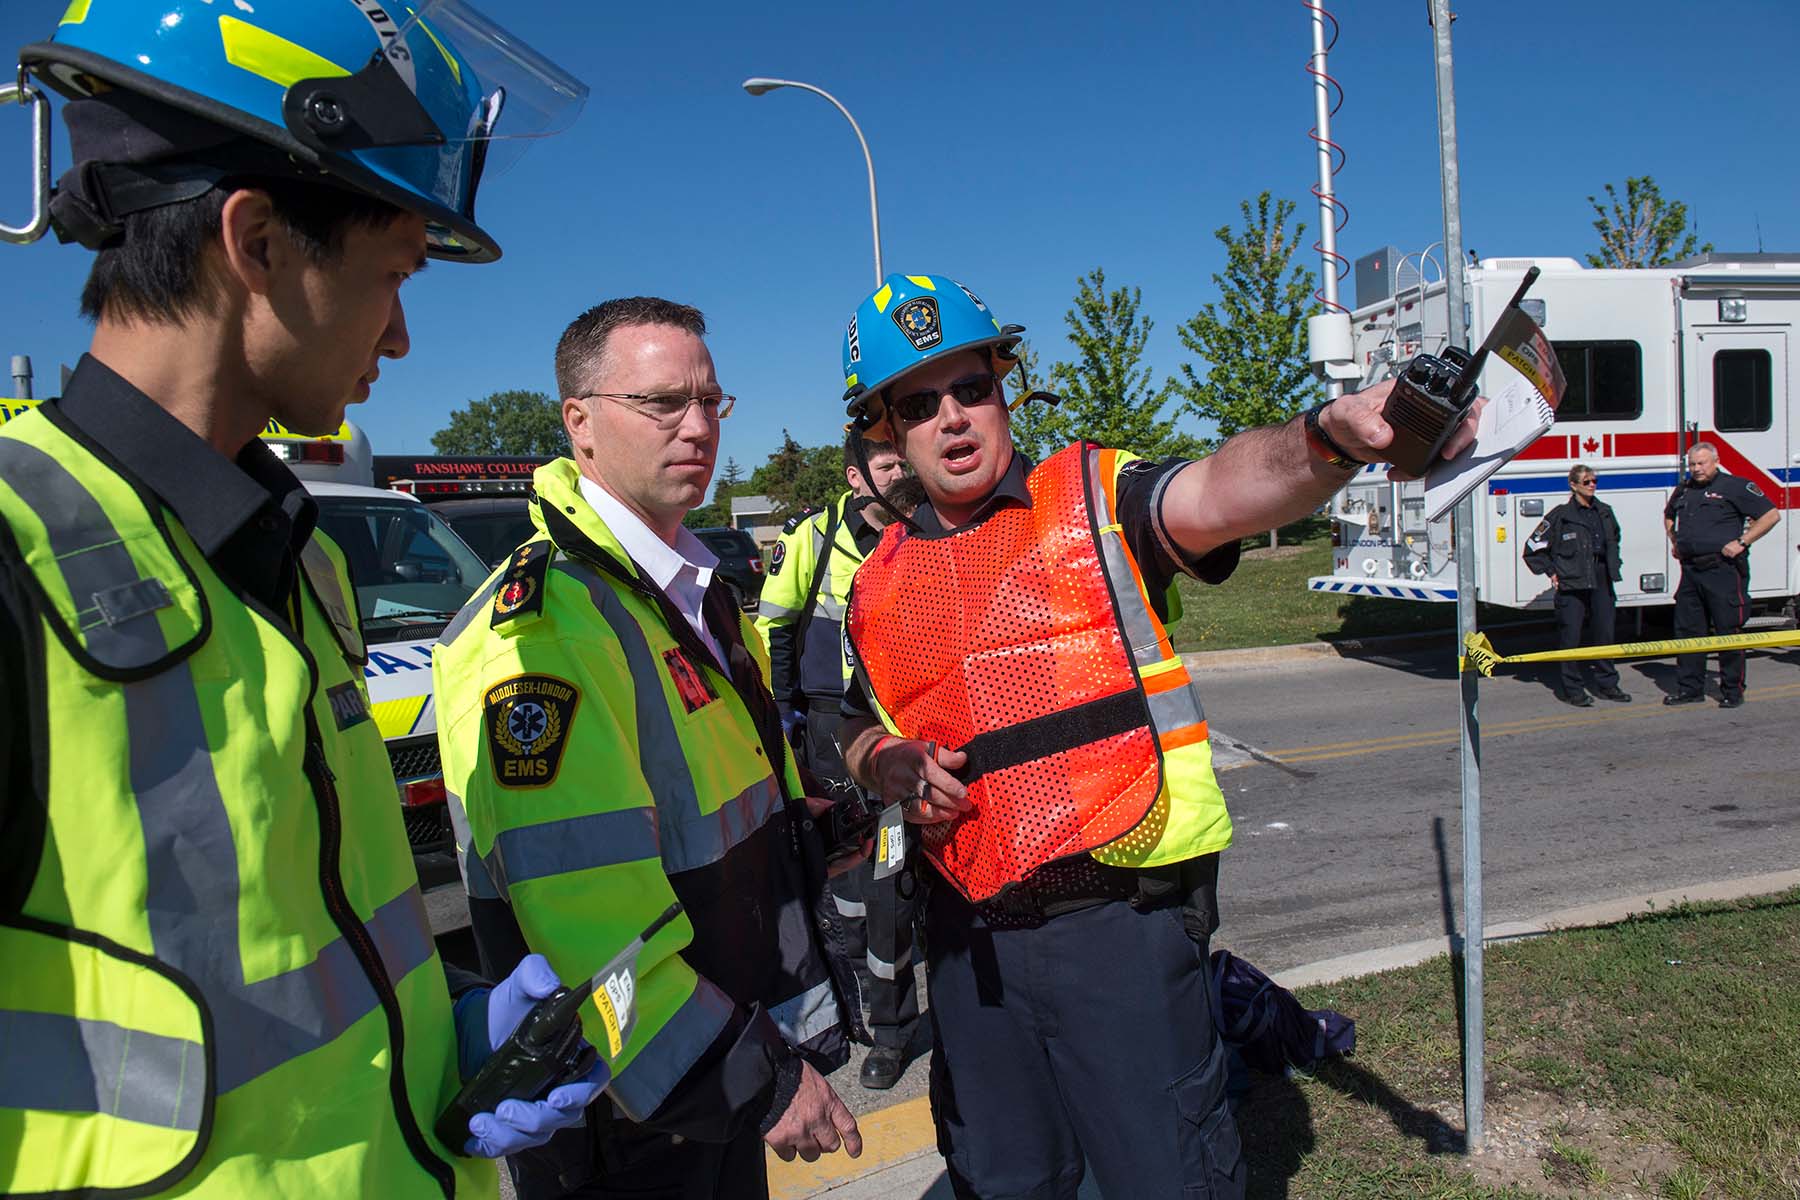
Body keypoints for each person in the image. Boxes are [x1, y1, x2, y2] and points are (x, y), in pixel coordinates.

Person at [0, 5, 602, 1196]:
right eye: (392, 275)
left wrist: (437, 1033)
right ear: (258, 241)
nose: (405, 334)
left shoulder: (297, 554)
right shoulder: (14, 562)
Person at [832, 274, 1482, 1200]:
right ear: (887, 432)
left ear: (1004, 389)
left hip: (1118, 932)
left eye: (971, 387)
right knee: (1007, 1180)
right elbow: (853, 724)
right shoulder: (876, 583)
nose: (954, 418)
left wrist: (1332, 436)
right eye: (920, 403)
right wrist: (887, 762)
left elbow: (1220, 489)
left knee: (1165, 1180)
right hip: (971, 952)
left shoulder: (1090, 496)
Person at [432, 297, 862, 1199]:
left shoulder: (686, 591)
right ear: (579, 422)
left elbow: (700, 808)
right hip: (630, 1108)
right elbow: (583, 914)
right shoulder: (549, 625)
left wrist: (814, 824)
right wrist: (749, 1077)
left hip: (703, 1074)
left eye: (712, 401)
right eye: (664, 403)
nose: (698, 425)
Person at [755, 430, 922, 1090]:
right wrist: (787, 716)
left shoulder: (924, 530)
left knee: (890, 883)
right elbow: (775, 626)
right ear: (857, 478)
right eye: (888, 465)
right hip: (827, 733)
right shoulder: (815, 539)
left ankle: (890, 1030)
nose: (902, 473)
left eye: (905, 461)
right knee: (844, 888)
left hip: (896, 730)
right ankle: (854, 1005)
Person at [1662, 442, 1779, 708]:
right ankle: (1689, 688)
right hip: (1691, 571)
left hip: (1723, 571)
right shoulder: (1684, 489)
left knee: (1728, 630)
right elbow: (1668, 515)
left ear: (1716, 461)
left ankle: (1732, 690)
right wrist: (1674, 540)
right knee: (1688, 632)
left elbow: (1770, 515)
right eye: (1692, 464)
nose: (1696, 469)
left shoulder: (1736, 486)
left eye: (1701, 463)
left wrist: (1743, 541)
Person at [1523, 464, 1630, 706]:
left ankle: (1608, 685)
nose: (1592, 485)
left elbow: (1615, 539)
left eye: (1594, 481)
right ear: (1573, 485)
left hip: (1601, 578)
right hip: (1572, 582)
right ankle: (1573, 689)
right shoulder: (1560, 515)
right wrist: (1551, 571)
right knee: (1571, 637)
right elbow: (1532, 548)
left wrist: (1614, 563)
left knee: (1605, 634)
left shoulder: (1604, 512)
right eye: (1586, 481)